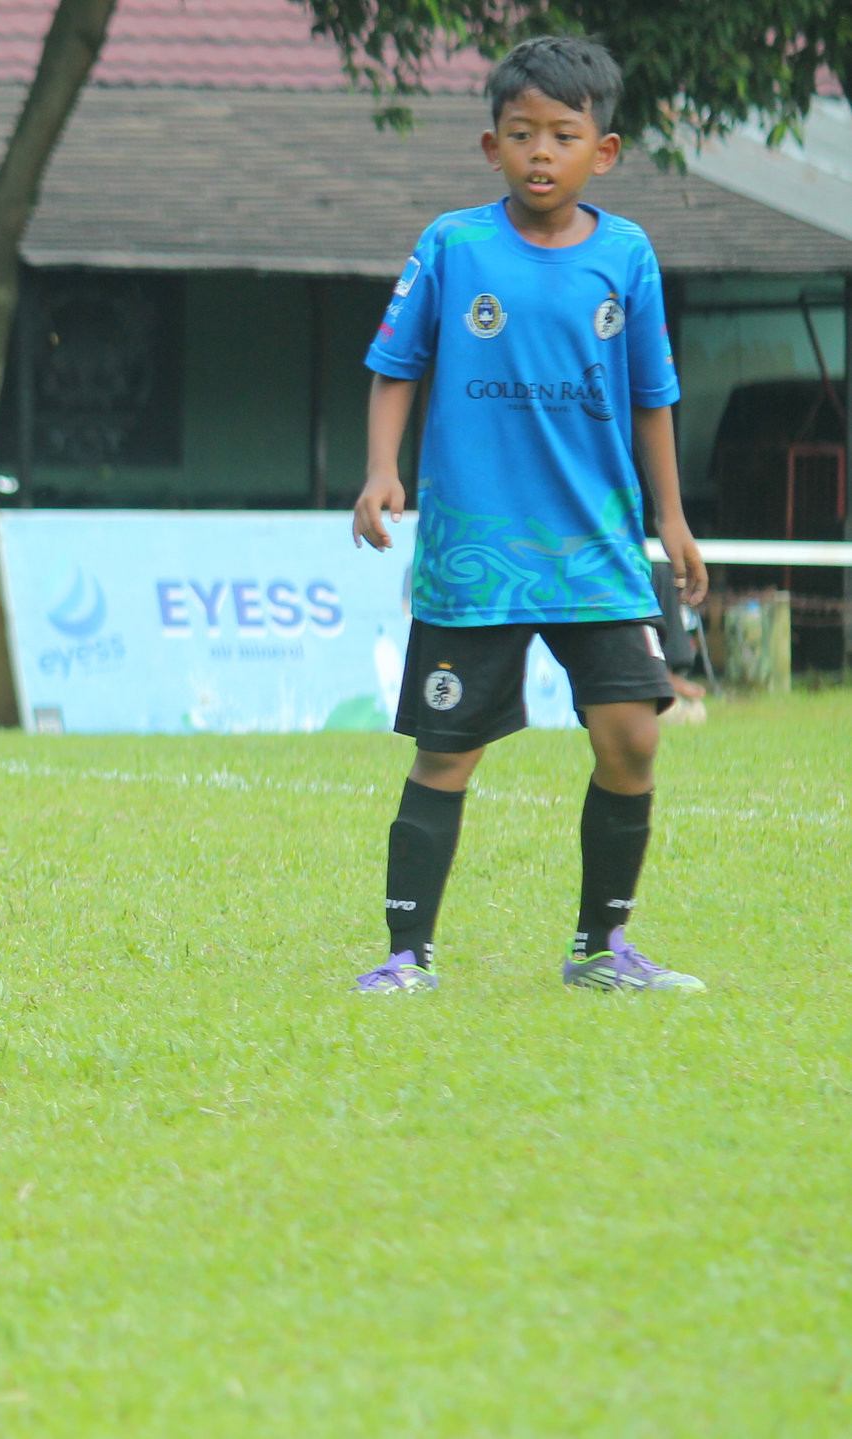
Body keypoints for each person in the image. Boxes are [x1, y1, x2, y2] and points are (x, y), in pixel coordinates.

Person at [350, 35, 710, 995]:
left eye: (562, 134)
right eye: (521, 134)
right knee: (447, 752)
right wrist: (383, 470)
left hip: (595, 551)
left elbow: (653, 395)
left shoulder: (627, 255)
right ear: (490, 146)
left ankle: (602, 947)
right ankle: (405, 955)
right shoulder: (453, 245)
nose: (540, 152)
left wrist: (671, 520)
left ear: (606, 150)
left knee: (634, 735)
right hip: (477, 559)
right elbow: (396, 366)